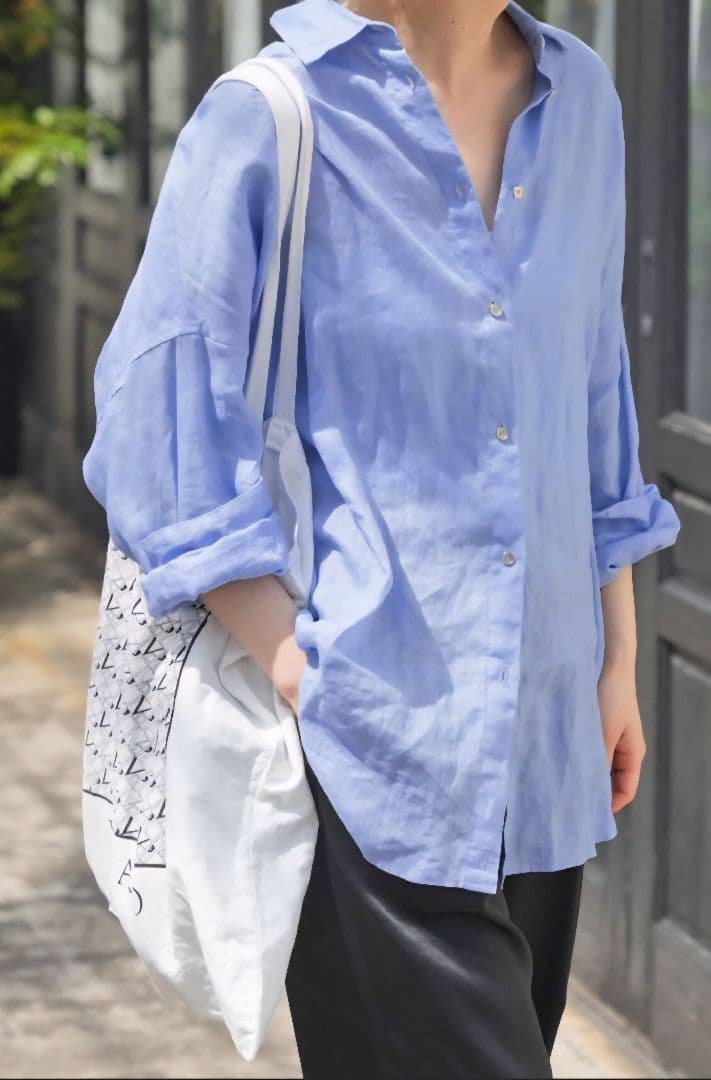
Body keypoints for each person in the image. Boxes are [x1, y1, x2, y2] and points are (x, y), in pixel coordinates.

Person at [81, 0, 681, 1076]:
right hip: (371, 760)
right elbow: (157, 427)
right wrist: (301, 668)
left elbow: (594, 392)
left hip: (547, 745)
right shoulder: (271, 115)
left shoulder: (580, 100)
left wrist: (616, 658)